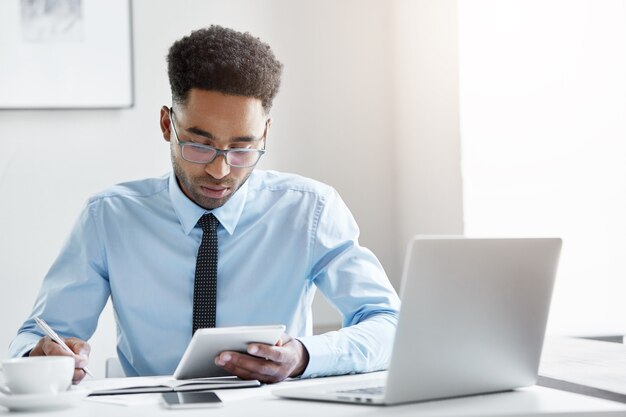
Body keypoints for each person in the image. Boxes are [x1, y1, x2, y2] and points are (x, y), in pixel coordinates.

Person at [9, 25, 400, 384]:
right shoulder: (109, 218)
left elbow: (391, 324)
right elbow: (38, 336)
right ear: (167, 125)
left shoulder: (310, 211)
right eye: (199, 144)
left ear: (265, 132)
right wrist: (44, 355)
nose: (219, 169)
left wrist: (303, 356)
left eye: (243, 148)